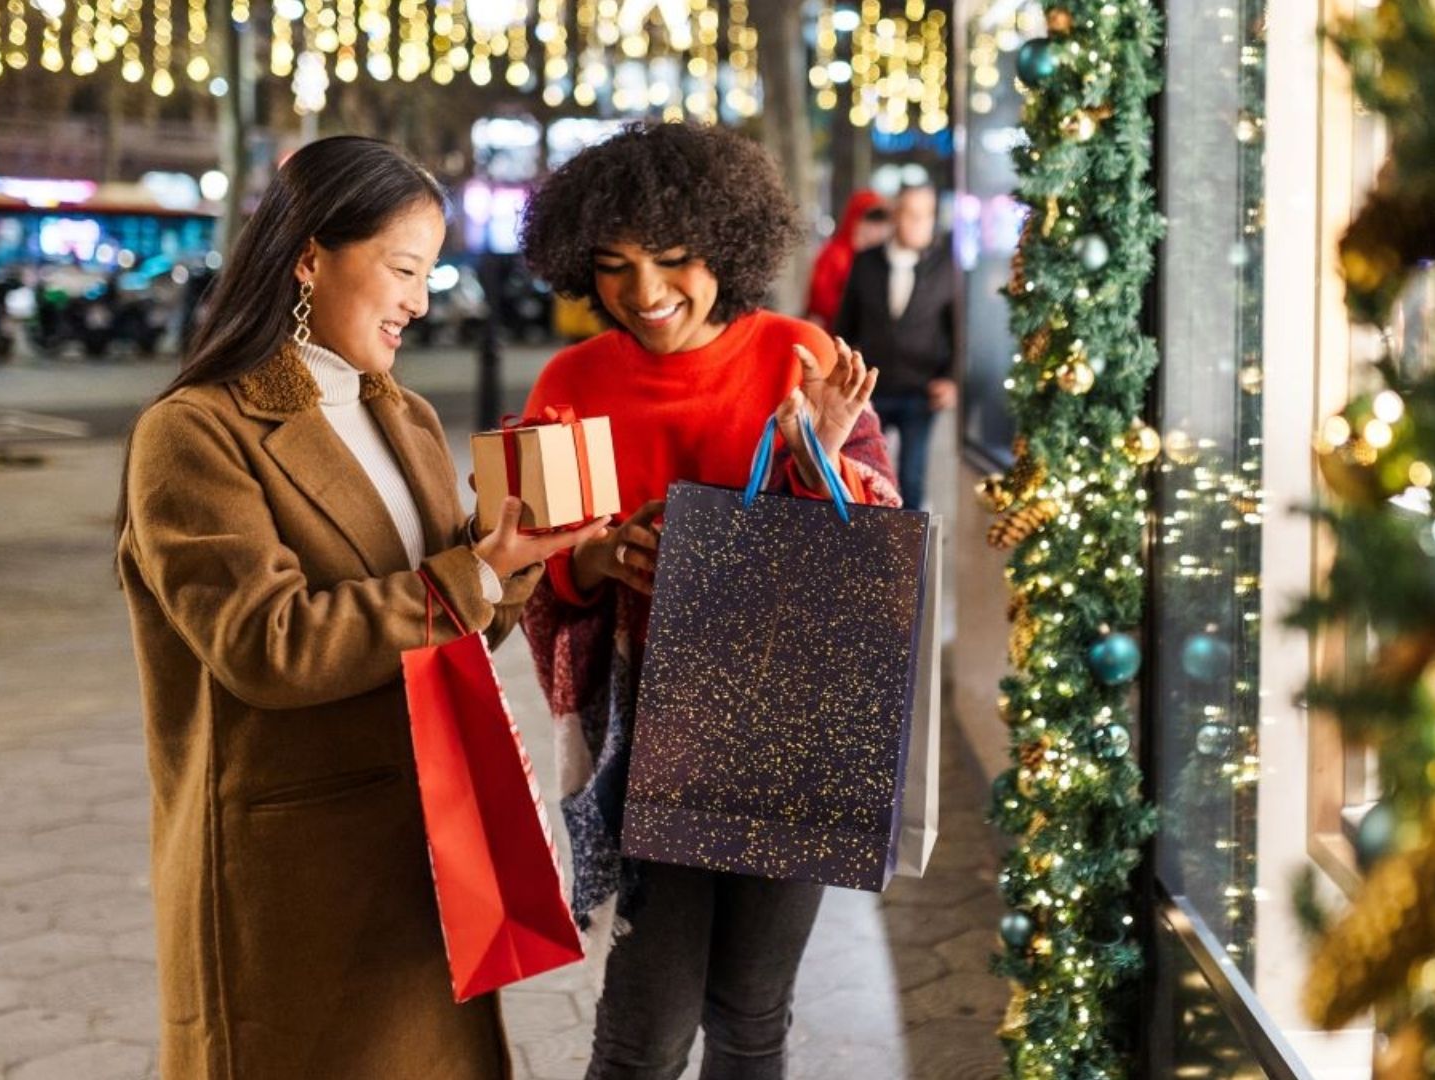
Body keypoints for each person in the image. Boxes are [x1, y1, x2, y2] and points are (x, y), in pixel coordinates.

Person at [115, 136, 606, 1080]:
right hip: (294, 868)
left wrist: (525, 554)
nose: (421, 302)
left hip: (432, 845)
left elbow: (466, 621)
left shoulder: (403, 414)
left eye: (431, 272)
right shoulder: (195, 432)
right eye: (404, 269)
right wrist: (472, 576)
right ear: (308, 257)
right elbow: (269, 645)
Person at [517, 122, 901, 1080]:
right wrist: (596, 560)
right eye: (612, 267)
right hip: (652, 739)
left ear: (726, 249)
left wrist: (822, 449)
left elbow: (874, 536)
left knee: (753, 1013)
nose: (645, 294)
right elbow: (530, 568)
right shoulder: (570, 383)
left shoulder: (798, 354)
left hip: (796, 721)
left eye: (674, 260)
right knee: (644, 1035)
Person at [834, 184, 958, 510]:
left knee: (912, 478)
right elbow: (845, 326)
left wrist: (952, 379)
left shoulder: (945, 265)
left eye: (926, 215)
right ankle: (867, 547)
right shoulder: (866, 262)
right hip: (871, 388)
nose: (918, 223)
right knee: (863, 473)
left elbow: (958, 330)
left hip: (920, 389)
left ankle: (908, 556)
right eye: (910, 214)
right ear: (896, 215)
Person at [802, 189, 889, 331]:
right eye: (872, 219)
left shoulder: (880, 257)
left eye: (881, 221)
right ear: (855, 219)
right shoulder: (835, 255)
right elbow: (820, 303)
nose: (877, 228)